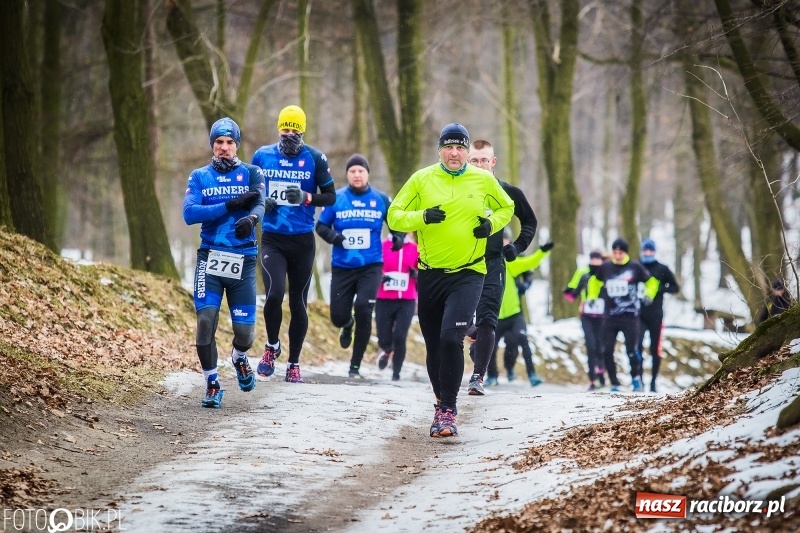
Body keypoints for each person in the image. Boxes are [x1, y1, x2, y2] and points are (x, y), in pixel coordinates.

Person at [387, 123, 514, 438]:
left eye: (460, 147)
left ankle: (448, 410)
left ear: (468, 152)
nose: (454, 153)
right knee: (434, 345)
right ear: (440, 150)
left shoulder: (483, 179)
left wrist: (491, 224)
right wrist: (422, 217)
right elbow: (394, 215)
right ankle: (440, 401)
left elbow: (507, 207)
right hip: (430, 273)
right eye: (448, 147)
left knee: (450, 338)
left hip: (469, 272)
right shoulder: (422, 178)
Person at [182, 117, 266, 408]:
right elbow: (190, 214)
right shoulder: (199, 177)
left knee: (245, 333)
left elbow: (260, 202)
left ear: (237, 145)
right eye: (219, 142)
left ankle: (239, 357)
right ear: (212, 145)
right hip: (210, 257)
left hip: (244, 259)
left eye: (230, 142)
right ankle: (212, 383)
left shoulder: (252, 172)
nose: (224, 147)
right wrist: (229, 205)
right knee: (205, 321)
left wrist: (251, 218)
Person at [251, 105, 336, 383]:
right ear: (278, 128)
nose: (289, 134)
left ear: (302, 131)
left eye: (294, 129)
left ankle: (294, 363)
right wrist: (263, 202)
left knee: (298, 302)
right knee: (274, 294)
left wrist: (306, 198)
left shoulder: (315, 158)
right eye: (285, 128)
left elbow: (331, 196)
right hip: (273, 238)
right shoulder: (262, 156)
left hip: (302, 240)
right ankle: (271, 347)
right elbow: (250, 193)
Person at [315, 153, 401, 379]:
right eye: (352, 171)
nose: (356, 174)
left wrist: (398, 238)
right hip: (342, 266)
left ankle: (355, 365)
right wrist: (334, 237)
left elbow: (396, 224)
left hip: (371, 266)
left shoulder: (381, 199)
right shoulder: (336, 198)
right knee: (337, 316)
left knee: (364, 308)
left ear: (367, 173)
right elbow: (321, 226)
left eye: (360, 170)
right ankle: (347, 323)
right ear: (347, 175)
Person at [463, 139, 538, 396]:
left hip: (493, 263)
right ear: (467, 161)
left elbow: (529, 221)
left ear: (493, 161)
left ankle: (478, 377)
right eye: (474, 160)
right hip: (461, 263)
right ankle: (475, 337)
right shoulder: (456, 191)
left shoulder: (507, 191)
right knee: (460, 320)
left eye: (484, 160)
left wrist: (517, 247)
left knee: (487, 319)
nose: (479, 165)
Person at [592, 238, 657, 392]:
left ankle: (636, 378)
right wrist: (592, 296)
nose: (617, 256)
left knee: (631, 350)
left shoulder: (635, 267)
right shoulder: (606, 267)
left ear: (625, 253)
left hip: (630, 317)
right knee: (607, 350)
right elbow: (594, 281)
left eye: (620, 253)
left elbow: (652, 282)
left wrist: (649, 294)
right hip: (610, 317)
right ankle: (614, 383)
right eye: (615, 252)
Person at [485, 236, 552, 387]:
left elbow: (530, 262)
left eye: (505, 240)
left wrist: (542, 251)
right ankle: (492, 376)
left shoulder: (509, 263)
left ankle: (532, 375)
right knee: (490, 345)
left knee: (522, 339)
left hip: (514, 315)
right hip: (495, 316)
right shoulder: (486, 264)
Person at [374, 232, 419, 381]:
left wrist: (417, 275)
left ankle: (396, 373)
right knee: (383, 338)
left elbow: (424, 270)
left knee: (400, 336)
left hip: (407, 300)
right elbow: (373, 267)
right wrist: (379, 276)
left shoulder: (414, 248)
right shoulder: (381, 246)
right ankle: (387, 350)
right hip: (384, 298)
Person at [637, 238, 680, 392]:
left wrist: (660, 288)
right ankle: (639, 380)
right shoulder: (636, 267)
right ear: (641, 251)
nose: (647, 253)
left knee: (654, 349)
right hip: (638, 314)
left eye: (650, 250)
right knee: (637, 347)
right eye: (645, 250)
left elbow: (675, 288)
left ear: (654, 252)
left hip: (656, 314)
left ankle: (653, 382)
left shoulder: (662, 268)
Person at [563, 250, 607, 391]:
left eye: (597, 259)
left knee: (600, 346)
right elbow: (571, 293)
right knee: (590, 345)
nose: (595, 262)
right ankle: (592, 379)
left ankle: (601, 373)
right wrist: (569, 292)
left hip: (602, 316)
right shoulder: (582, 273)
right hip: (586, 315)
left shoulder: (606, 272)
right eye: (593, 259)